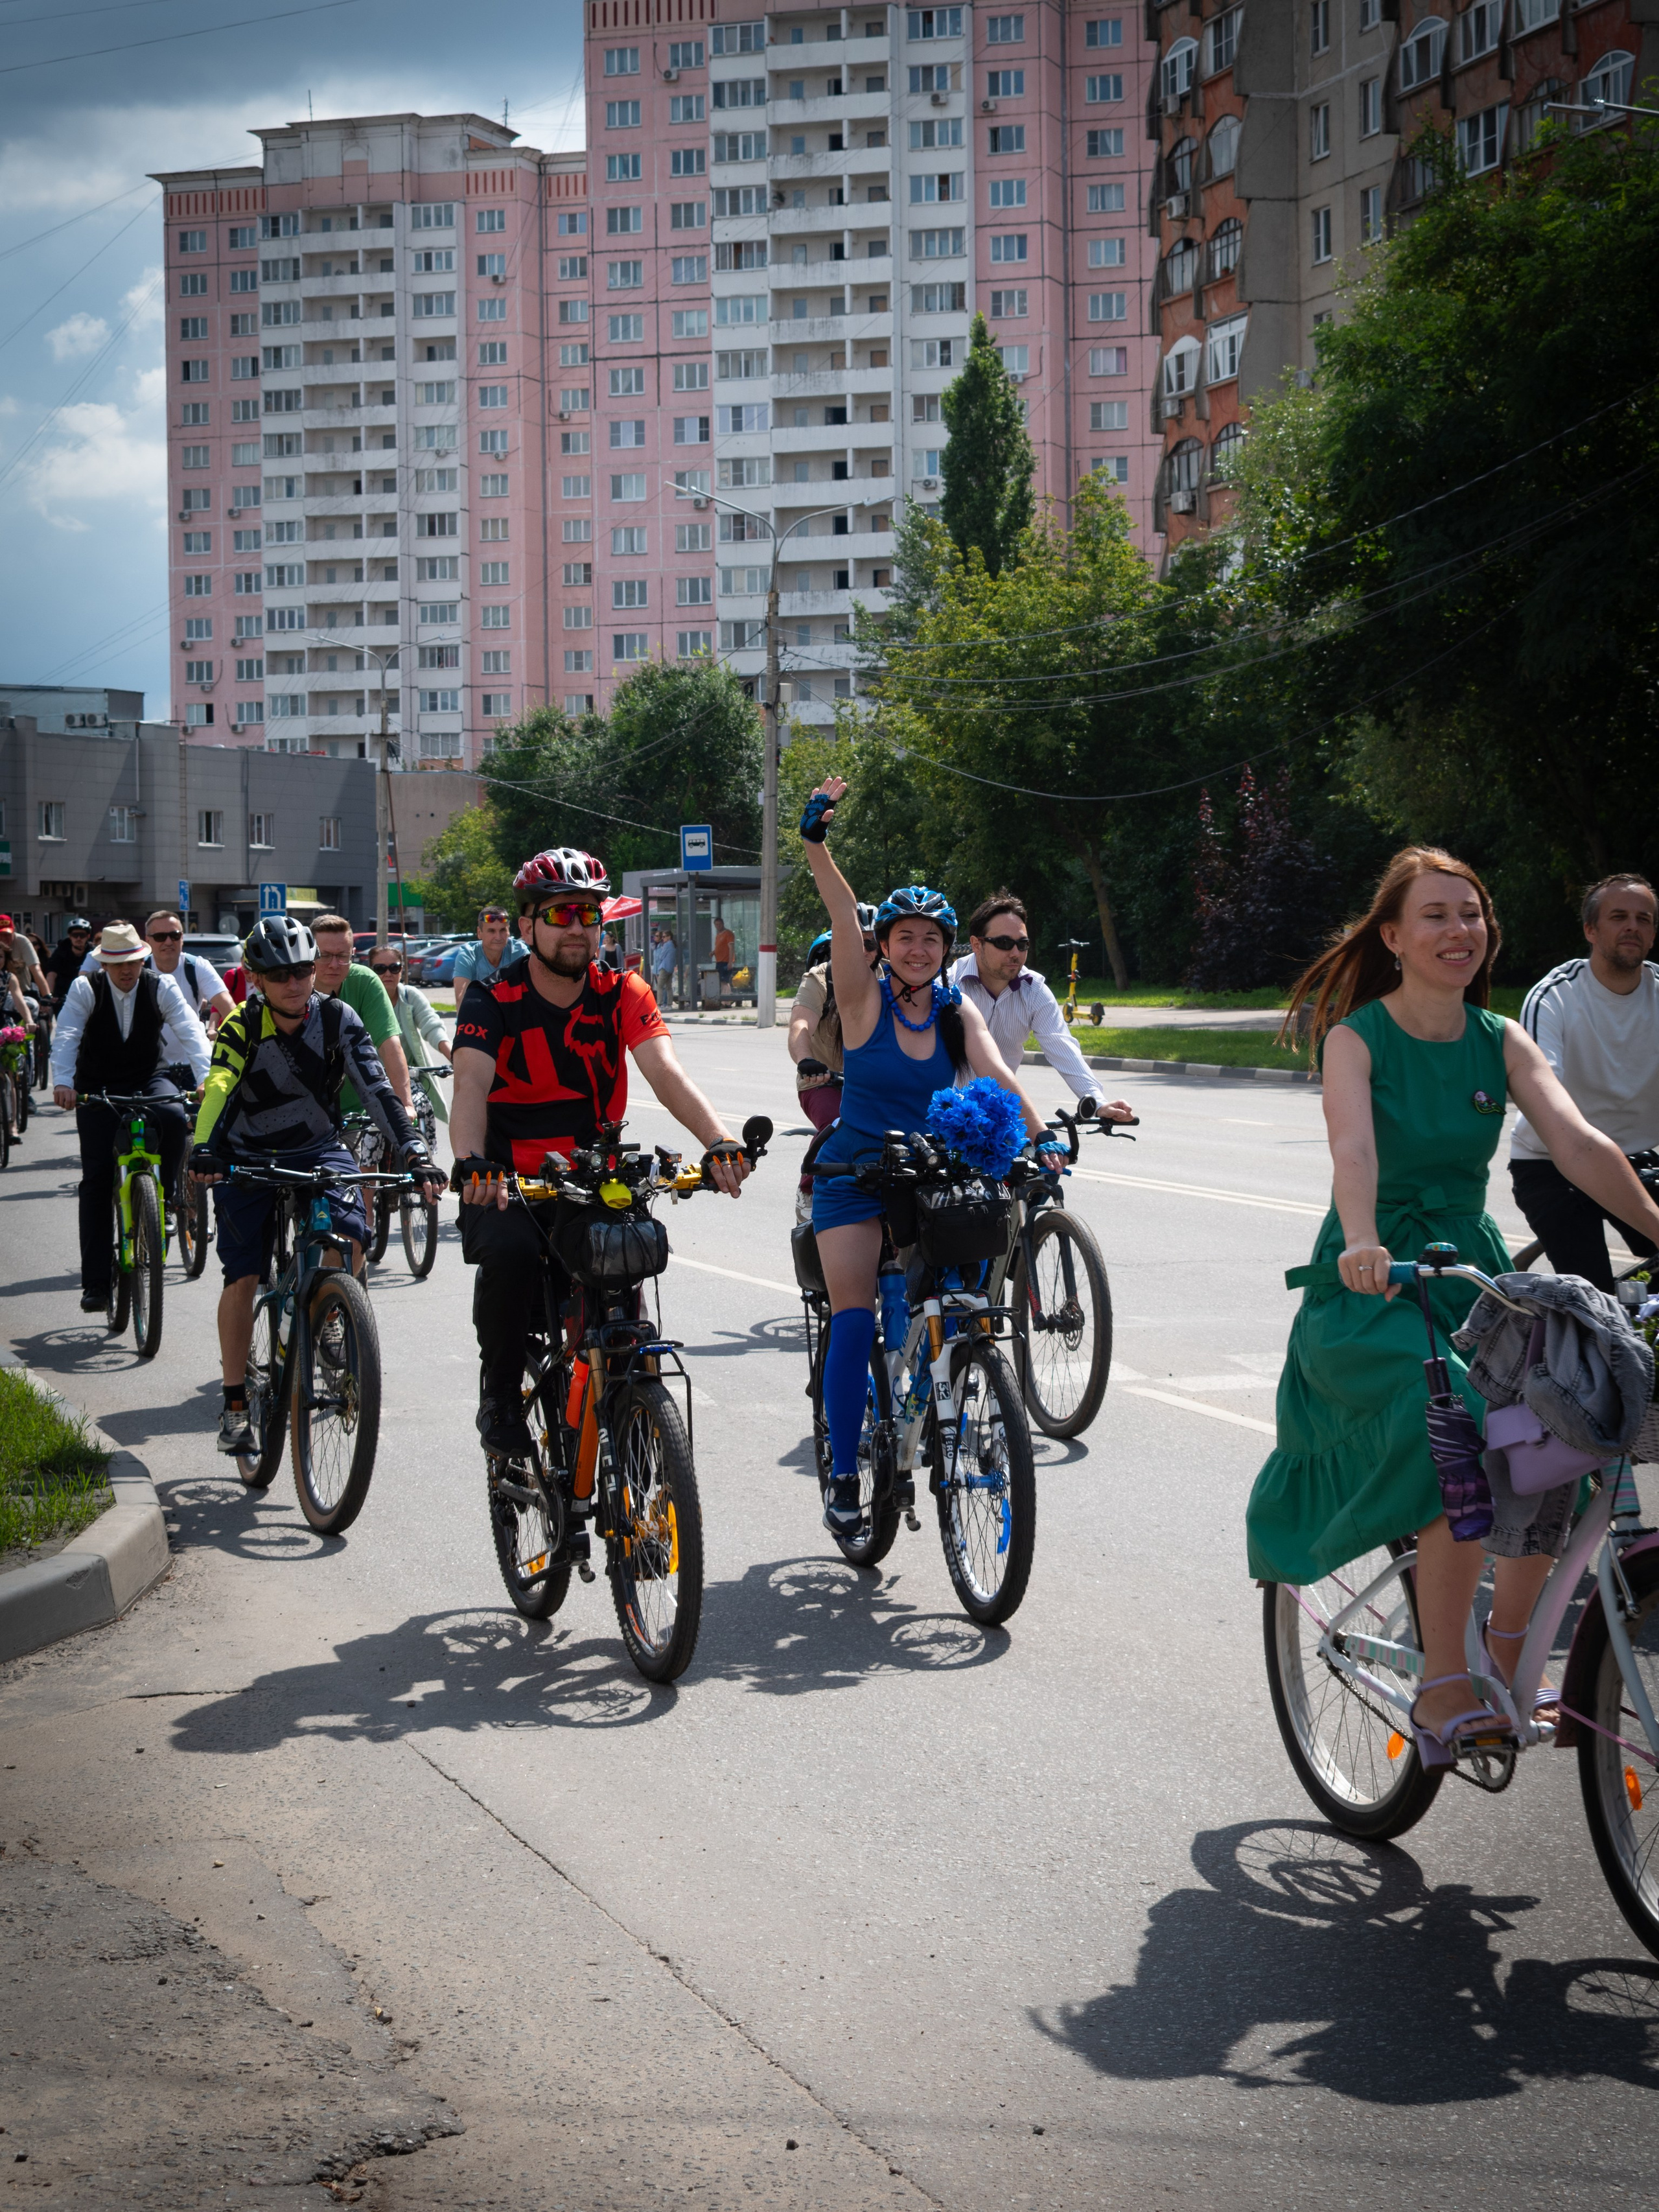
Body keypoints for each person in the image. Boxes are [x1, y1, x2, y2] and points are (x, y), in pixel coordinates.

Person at [1246, 848, 1659, 1764]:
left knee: (1568, 1425)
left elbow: (1582, 1146)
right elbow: (1353, 1152)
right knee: (1464, 1439)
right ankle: (1440, 1684)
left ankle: (1509, 1654)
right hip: (1376, 1280)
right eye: (1435, 915)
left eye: (1470, 913)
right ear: (1392, 936)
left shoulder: (1501, 1037)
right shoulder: (1356, 1036)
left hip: (1468, 1273)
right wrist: (1362, 1241)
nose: (1458, 930)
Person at [797, 777, 1071, 1537]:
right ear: (883, 945)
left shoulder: (955, 1013)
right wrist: (816, 841)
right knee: (853, 1318)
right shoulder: (859, 997)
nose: (918, 948)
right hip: (854, 1172)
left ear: (947, 951)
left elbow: (999, 1075)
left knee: (959, 1304)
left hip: (928, 1173)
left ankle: (950, 1394)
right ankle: (846, 1473)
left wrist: (1038, 1137)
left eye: (932, 938)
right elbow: (837, 912)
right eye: (904, 936)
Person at [448, 845, 752, 1457]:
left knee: (624, 1272)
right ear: (528, 923)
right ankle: (502, 1392)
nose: (580, 928)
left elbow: (666, 1073)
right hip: (511, 1182)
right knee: (507, 1255)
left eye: (590, 915)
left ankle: (633, 1419)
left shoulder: (623, 991)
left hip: (593, 1179)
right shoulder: (491, 999)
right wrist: (471, 1160)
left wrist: (717, 1141)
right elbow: (471, 1086)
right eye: (562, 915)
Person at [189, 916, 442, 1456]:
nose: (296, 982)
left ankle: (332, 1306)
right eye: (280, 974)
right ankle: (235, 1404)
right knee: (244, 1274)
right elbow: (219, 1084)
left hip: (316, 1145)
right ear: (256, 978)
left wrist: (414, 1148)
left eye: (302, 970)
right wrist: (204, 1146)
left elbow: (376, 1086)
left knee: (348, 1232)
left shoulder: (338, 1018)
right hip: (243, 1152)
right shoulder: (242, 1025)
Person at [1509, 874, 1659, 1293]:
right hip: (1552, 1163)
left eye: (1644, 919)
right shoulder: (1554, 996)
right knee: (1594, 1301)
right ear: (1590, 930)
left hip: (1634, 1158)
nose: (1633, 926)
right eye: (1619, 916)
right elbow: (1548, 1109)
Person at [50, 922, 210, 1313]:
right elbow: (67, 1035)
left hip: (147, 1077)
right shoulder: (87, 988)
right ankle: (96, 1285)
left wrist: (207, 1079)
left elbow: (191, 1031)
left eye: (135, 962)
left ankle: (167, 1196)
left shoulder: (161, 986)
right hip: (96, 1085)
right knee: (97, 1179)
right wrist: (64, 1083)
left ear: (144, 959)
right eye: (117, 963)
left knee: (174, 1117)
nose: (127, 970)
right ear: (103, 963)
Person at [949, 891, 1128, 1123]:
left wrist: (1097, 1101)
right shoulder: (948, 984)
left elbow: (1062, 1047)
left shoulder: (1034, 990)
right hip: (942, 1114)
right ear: (977, 944)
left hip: (997, 1118)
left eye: (1022, 944)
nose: (1015, 953)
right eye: (1004, 943)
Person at [788, 906, 878, 1221]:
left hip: (871, 1083)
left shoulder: (889, 979)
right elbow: (800, 1025)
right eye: (855, 943)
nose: (863, 952)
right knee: (838, 1123)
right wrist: (805, 1060)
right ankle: (808, 1190)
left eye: (870, 944)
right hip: (823, 1081)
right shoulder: (818, 979)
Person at [308, 914, 415, 1115]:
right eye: (324, 956)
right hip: (302, 1113)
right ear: (309, 953)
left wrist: (405, 1105)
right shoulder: (291, 984)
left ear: (353, 953)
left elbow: (389, 1044)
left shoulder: (365, 981)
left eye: (342, 956)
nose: (334, 964)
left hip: (358, 1110)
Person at [365, 944, 452, 1126]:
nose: (388, 974)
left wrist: (454, 1057)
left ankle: (422, 1153)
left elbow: (432, 1026)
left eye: (394, 968)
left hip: (408, 1078)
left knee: (422, 1108)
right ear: (371, 971)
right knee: (371, 1126)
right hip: (371, 1080)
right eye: (380, 969)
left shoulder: (410, 995)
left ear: (402, 970)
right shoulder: (363, 998)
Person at [137, 911, 235, 1036]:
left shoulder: (198, 967)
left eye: (175, 935)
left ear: (182, 938)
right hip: (148, 1054)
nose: (168, 942)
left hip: (192, 1053)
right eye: (160, 937)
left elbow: (229, 1008)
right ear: (148, 940)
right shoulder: (139, 969)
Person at [452, 904, 529, 992]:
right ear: (479, 933)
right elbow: (461, 998)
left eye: (503, 930)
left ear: (508, 931)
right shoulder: (468, 955)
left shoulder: (519, 952)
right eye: (491, 931)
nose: (498, 937)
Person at [45, 919, 93, 1008]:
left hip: (85, 996)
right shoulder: (60, 951)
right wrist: (49, 995)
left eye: (82, 935)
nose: (78, 938)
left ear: (88, 936)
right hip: (61, 995)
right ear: (70, 937)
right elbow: (51, 974)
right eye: (75, 935)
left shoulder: (93, 952)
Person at [651, 925, 678, 1006]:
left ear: (669, 937)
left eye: (664, 937)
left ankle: (660, 1003)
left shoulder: (666, 945)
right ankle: (669, 1004)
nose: (663, 939)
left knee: (660, 986)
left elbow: (661, 957)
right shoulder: (673, 944)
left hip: (664, 967)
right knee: (669, 987)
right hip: (670, 968)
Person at [713, 913, 736, 996]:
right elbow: (720, 947)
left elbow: (731, 948)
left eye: (719, 924)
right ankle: (726, 1000)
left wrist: (730, 962)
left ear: (723, 924)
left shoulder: (728, 934)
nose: (718, 926)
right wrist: (713, 952)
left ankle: (726, 1000)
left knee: (724, 981)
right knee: (722, 981)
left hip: (726, 961)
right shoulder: (718, 936)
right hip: (719, 961)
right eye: (716, 925)